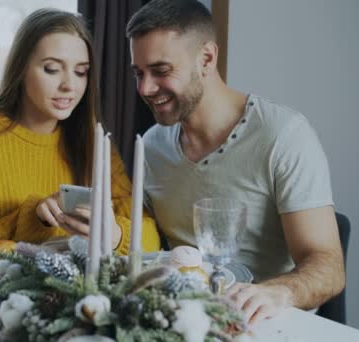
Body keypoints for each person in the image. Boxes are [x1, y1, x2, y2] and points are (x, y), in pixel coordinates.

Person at [126, 0, 345, 324]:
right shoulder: (154, 145)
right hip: (181, 320)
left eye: (160, 71)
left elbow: (329, 268)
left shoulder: (282, 136)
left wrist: (278, 292)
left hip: (265, 323)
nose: (145, 88)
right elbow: (143, 240)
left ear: (207, 58)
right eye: (139, 73)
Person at [0, 9, 161, 268]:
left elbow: (149, 235)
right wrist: (34, 217)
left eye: (81, 72)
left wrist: (114, 235)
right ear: (21, 69)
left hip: (48, 301)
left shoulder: (94, 143)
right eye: (52, 69)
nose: (70, 85)